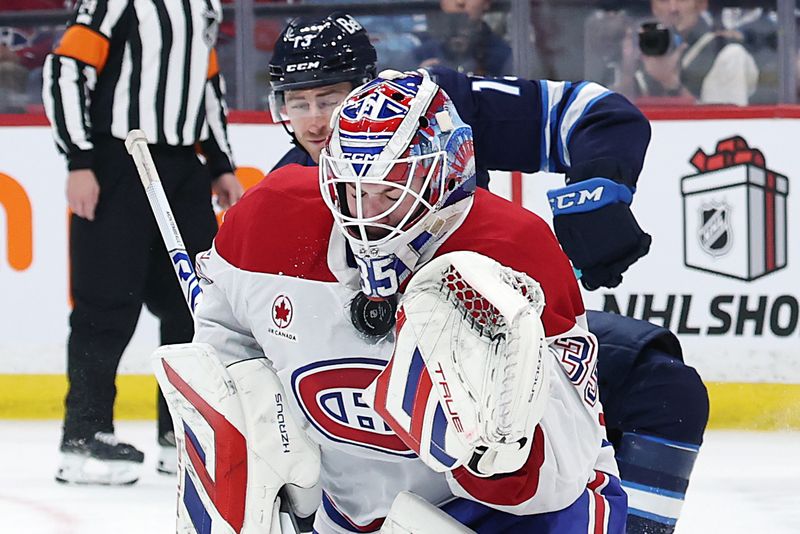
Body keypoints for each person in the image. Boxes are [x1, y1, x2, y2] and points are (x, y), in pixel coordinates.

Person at [265, 13, 707, 534]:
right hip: (379, 396)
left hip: (504, 340)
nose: (316, 122)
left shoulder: (439, 113)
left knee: (657, 381)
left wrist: (598, 192)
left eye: (331, 98)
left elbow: (595, 115)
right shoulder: (279, 201)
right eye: (299, 102)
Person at [184, 68, 625, 533]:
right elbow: (223, 344)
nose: (366, 215)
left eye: (390, 193)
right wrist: (258, 436)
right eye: (352, 190)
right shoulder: (268, 222)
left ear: (443, 180)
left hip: (527, 517)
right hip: (359, 512)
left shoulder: (512, 250)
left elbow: (563, 472)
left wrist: (498, 455)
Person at [42, 0, 243, 485]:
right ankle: (85, 435)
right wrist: (80, 159)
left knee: (194, 303)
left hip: (182, 168)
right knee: (106, 303)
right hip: (117, 161)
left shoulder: (205, 5)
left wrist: (220, 163)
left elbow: (206, 82)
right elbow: (67, 68)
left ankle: (182, 432)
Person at [615, 0, 758, 105]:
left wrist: (671, 84)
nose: (673, 8)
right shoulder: (639, 49)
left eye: (682, 0)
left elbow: (723, 127)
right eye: (663, 1)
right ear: (654, 7)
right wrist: (627, 68)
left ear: (701, 5)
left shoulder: (727, 53)